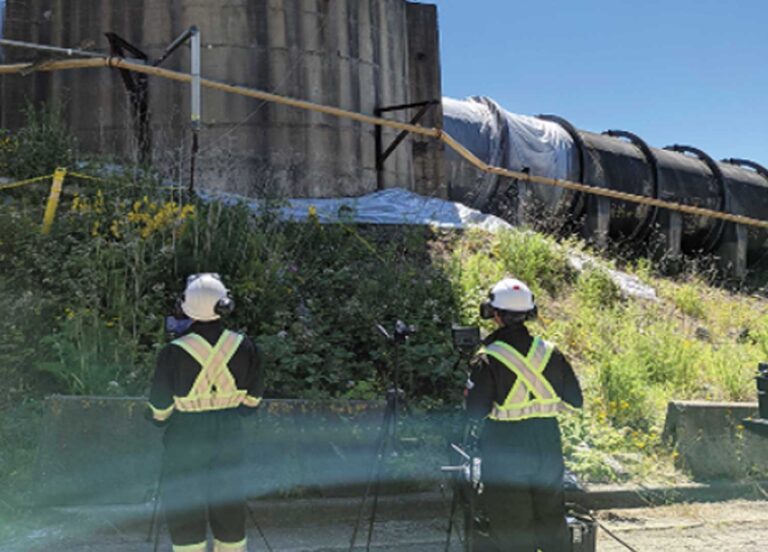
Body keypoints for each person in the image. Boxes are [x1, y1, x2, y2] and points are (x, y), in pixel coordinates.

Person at [147, 273, 264, 552]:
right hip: (228, 434)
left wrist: (159, 418)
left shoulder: (173, 352)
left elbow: (160, 408)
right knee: (228, 504)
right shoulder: (245, 346)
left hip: (185, 436)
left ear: (185, 307)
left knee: (186, 503)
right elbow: (252, 402)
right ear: (225, 304)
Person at [465, 277, 583, 552]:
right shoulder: (551, 353)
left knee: (512, 527)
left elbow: (475, 411)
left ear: (494, 314)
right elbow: (575, 399)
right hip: (547, 442)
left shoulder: (488, 357)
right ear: (530, 312)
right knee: (552, 521)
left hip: (505, 447)